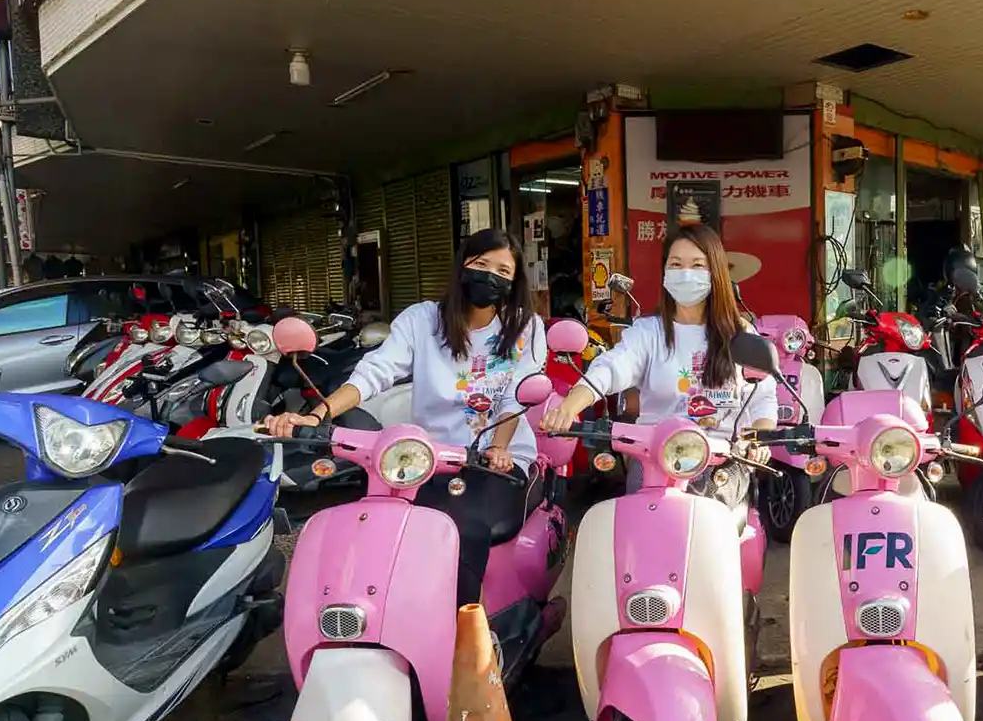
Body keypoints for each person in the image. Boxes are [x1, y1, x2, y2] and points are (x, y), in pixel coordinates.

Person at [263, 228, 545, 604]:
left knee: (461, 529)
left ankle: (463, 636)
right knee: (384, 528)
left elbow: (516, 395)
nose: (490, 275)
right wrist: (318, 415)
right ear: (463, 266)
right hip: (426, 459)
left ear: (513, 282)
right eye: (481, 264)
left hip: (494, 461)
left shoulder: (526, 326)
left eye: (502, 271)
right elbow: (376, 371)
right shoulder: (422, 320)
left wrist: (499, 447)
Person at [539, 224, 775, 482]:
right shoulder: (647, 332)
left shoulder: (740, 334)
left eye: (697, 265)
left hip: (723, 464)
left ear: (715, 272)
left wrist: (758, 440)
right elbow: (610, 368)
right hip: (656, 461)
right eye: (676, 265)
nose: (686, 274)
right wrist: (570, 405)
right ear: (664, 272)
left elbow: (762, 397)